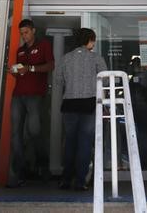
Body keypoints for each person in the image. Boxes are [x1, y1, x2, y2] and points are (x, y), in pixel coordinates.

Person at [55, 28, 108, 190]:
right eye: (94, 39)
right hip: (89, 104)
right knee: (85, 142)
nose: (94, 43)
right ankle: (80, 181)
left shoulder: (65, 59)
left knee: (70, 142)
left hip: (69, 104)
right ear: (89, 40)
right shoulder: (96, 58)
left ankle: (65, 179)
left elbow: (58, 81)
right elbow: (105, 81)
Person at [8, 19, 55, 187]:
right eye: (21, 33)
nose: (24, 36)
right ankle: (20, 172)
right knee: (16, 134)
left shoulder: (43, 45)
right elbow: (20, 73)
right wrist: (14, 71)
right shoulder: (20, 51)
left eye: (26, 32)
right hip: (18, 95)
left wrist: (31, 68)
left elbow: (51, 65)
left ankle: (43, 168)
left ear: (33, 31)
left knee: (34, 131)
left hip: (36, 95)